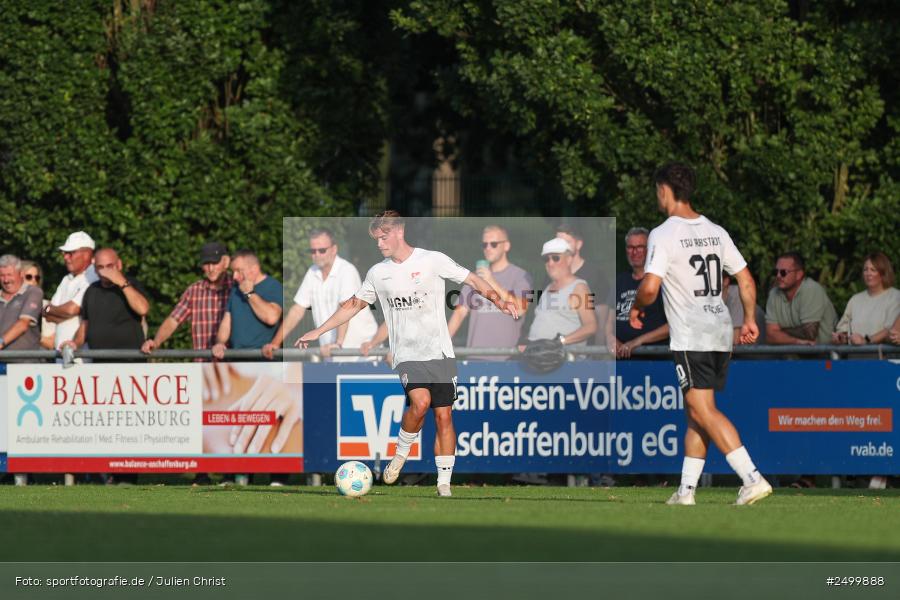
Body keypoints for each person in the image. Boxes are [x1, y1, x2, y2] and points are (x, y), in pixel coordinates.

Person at [296, 211, 519, 497]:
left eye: (382, 237)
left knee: (444, 417)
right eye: (376, 239)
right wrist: (318, 330)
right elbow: (353, 304)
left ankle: (444, 485)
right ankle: (401, 454)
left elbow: (473, 280)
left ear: (398, 232)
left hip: (439, 351)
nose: (379, 244)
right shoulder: (378, 273)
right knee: (421, 402)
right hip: (406, 354)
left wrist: (499, 302)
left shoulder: (432, 260)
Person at [630, 162, 771, 506]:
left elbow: (649, 287)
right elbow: (746, 279)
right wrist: (750, 318)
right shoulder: (716, 231)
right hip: (720, 330)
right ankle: (686, 491)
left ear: (664, 189)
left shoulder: (663, 233)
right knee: (695, 410)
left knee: (702, 408)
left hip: (691, 334)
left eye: (657, 190)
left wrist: (637, 306)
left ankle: (752, 478)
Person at [263, 228, 377, 361]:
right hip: (333, 353)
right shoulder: (312, 272)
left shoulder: (347, 271)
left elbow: (346, 307)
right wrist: (275, 343)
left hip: (362, 354)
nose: (316, 254)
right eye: (312, 251)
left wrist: (338, 343)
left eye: (322, 250)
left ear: (334, 249)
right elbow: (297, 310)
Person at [447, 225, 531, 359]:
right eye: (484, 244)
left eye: (494, 244)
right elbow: (459, 313)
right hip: (475, 358)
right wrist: (442, 344)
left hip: (507, 359)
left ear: (506, 246)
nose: (488, 248)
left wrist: (491, 281)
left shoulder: (520, 276)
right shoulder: (475, 278)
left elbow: (520, 309)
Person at [141, 241, 232, 358]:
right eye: (206, 263)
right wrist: (156, 342)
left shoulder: (237, 288)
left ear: (226, 262)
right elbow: (173, 320)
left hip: (234, 366)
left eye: (215, 263)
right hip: (202, 366)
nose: (210, 268)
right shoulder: (194, 291)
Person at [59, 248, 150, 355]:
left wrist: (121, 282)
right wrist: (75, 343)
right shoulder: (91, 290)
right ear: (95, 270)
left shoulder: (132, 284)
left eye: (110, 266)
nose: (105, 271)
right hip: (100, 362)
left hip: (130, 360)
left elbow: (143, 309)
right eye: (100, 267)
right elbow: (85, 325)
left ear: (119, 265)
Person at [605, 227, 669, 358]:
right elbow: (609, 321)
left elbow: (672, 326)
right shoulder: (619, 281)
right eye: (630, 247)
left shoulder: (662, 282)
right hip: (620, 361)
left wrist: (638, 341)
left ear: (650, 249)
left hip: (654, 360)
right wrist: (609, 337)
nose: (634, 252)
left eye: (640, 247)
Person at [211, 249, 283, 359]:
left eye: (238, 271)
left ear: (254, 269)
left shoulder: (273, 286)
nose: (234, 276)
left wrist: (249, 294)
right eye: (233, 272)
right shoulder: (235, 289)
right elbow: (226, 322)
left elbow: (271, 318)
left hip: (263, 361)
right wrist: (220, 343)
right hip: (237, 362)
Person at [526, 238, 597, 348]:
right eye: (546, 259)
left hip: (563, 360)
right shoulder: (547, 288)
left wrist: (560, 342)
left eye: (555, 258)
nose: (550, 263)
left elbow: (591, 326)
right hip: (538, 356)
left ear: (569, 259)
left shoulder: (579, 287)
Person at [765, 252, 837, 346]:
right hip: (793, 355)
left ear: (799, 274)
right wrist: (796, 341)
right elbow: (770, 336)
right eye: (776, 272)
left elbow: (809, 333)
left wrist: (779, 332)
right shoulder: (774, 294)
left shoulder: (811, 289)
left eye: (783, 272)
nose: (778, 276)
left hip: (825, 355)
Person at [43, 231, 99, 350]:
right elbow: (48, 315)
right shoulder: (66, 279)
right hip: (61, 352)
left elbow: (72, 309)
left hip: (82, 356)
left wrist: (51, 310)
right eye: (64, 253)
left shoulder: (93, 276)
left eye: (70, 253)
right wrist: (52, 310)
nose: (65, 257)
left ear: (86, 254)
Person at [831, 253, 900, 346]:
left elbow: (890, 331)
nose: (868, 273)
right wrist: (841, 338)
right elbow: (844, 330)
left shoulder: (895, 297)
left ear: (883, 273)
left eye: (873, 270)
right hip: (855, 358)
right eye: (865, 270)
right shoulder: (855, 299)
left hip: (881, 357)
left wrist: (865, 340)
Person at [0, 255, 44, 353]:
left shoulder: (33, 292)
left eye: (9, 275)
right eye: (2, 275)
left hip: (23, 361)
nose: (6, 280)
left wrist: (1, 342)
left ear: (21, 274)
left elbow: (23, 324)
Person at [722, 272, 766, 345]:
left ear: (725, 281)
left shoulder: (737, 295)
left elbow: (735, 340)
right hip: (741, 352)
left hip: (757, 353)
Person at [20, 261, 54, 350]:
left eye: (37, 278)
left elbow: (52, 344)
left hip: (37, 360)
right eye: (28, 277)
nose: (33, 281)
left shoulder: (46, 307)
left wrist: (29, 333)